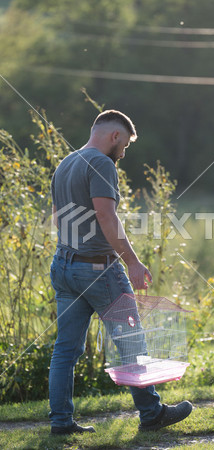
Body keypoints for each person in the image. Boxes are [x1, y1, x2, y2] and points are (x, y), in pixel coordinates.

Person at [49, 110, 192, 435]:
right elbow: (106, 216)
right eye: (125, 145)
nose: (124, 152)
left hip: (64, 266)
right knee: (132, 342)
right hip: (100, 270)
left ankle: (60, 422)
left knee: (66, 348)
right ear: (114, 136)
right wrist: (132, 262)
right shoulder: (101, 163)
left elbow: (58, 218)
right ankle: (152, 413)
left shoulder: (65, 164)